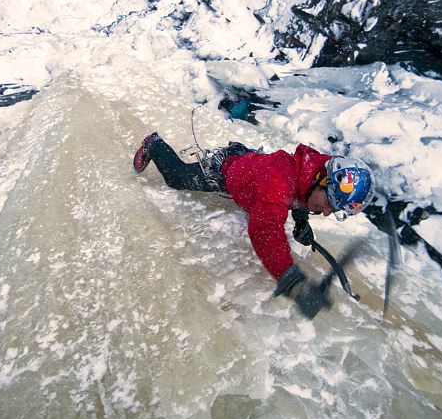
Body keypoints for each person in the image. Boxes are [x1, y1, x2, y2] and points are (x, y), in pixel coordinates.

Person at [132, 132, 375, 320]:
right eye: (330, 203)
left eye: (334, 210)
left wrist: (301, 219)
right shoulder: (279, 184)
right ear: (323, 181)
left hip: (250, 167)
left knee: (265, 196)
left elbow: (301, 189)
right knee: (177, 178)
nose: (327, 212)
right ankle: (154, 143)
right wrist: (292, 281)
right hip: (225, 172)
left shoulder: (315, 170)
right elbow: (264, 230)